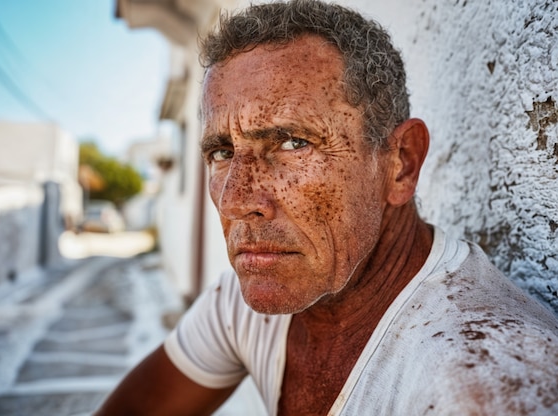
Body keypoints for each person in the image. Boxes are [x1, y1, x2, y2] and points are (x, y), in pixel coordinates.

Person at [95, 0, 558, 414]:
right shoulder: (243, 307)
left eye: (292, 143)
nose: (236, 200)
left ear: (401, 164)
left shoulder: (479, 383)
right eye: (221, 153)